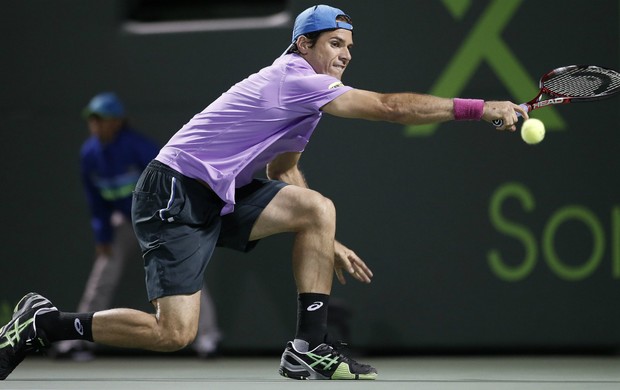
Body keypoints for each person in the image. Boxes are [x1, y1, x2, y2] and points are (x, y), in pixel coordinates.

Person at [0, 5, 527, 381]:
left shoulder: (308, 104)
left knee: (318, 207)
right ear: (305, 45)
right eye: (335, 44)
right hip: (174, 193)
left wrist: (323, 236)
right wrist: (483, 108)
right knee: (174, 334)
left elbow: (283, 168)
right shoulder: (295, 78)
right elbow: (391, 107)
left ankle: (308, 348)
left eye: (349, 47)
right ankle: (45, 324)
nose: (345, 55)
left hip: (221, 195)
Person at [53, 92, 221, 360]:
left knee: (187, 276)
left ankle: (207, 338)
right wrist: (102, 236)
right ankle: (77, 340)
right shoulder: (89, 154)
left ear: (117, 122)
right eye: (92, 119)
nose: (96, 124)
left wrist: (176, 220)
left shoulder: (138, 147)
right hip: (123, 223)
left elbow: (170, 181)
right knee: (102, 278)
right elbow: (96, 201)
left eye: (102, 119)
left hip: (159, 222)